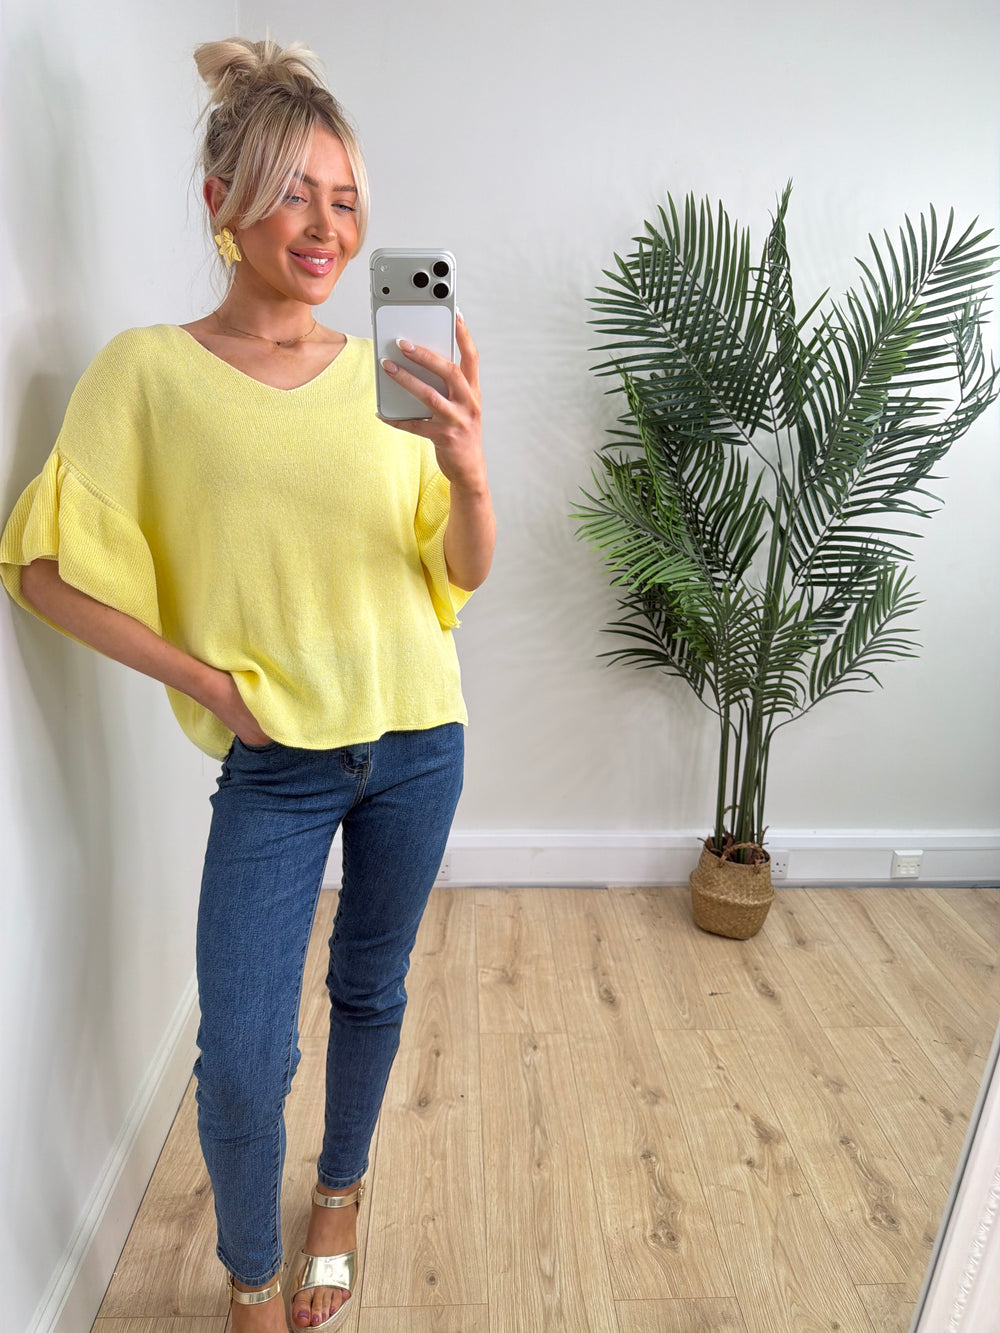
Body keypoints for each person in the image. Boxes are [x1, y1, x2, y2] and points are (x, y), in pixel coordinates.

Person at [0, 36, 494, 1333]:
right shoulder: (146, 374)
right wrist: (209, 684)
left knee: (371, 987)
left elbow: (458, 570)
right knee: (239, 1060)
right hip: (275, 764)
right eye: (294, 196)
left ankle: (339, 1192)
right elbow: (43, 568)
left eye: (346, 202)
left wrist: (471, 470)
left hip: (420, 736)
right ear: (221, 201)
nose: (327, 229)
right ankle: (250, 1274)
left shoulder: (390, 376)